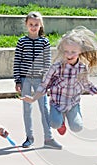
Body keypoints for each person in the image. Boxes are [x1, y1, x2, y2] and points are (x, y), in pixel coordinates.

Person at [21, 26, 97, 135]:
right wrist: (33, 98)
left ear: (80, 51)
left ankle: (73, 113)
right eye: (66, 51)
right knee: (55, 124)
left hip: (72, 103)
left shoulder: (82, 68)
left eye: (73, 51)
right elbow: (45, 85)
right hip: (57, 103)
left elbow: (87, 84)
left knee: (77, 128)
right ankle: (61, 120)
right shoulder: (56, 67)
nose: (69, 55)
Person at [13, 11, 62, 149]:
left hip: (40, 80)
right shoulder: (22, 42)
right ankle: (29, 137)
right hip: (25, 79)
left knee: (44, 108)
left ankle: (49, 138)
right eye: (31, 24)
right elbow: (17, 61)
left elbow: (47, 63)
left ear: (40, 25)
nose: (33, 27)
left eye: (36, 24)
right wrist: (17, 81)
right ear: (26, 25)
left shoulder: (44, 42)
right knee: (27, 109)